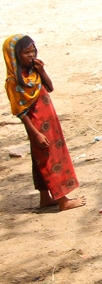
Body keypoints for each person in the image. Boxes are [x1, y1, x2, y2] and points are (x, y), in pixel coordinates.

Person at [4, 35, 85, 211]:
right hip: (38, 127)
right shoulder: (14, 82)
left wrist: (42, 72)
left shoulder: (33, 73)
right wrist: (36, 133)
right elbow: (21, 112)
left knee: (40, 159)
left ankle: (45, 198)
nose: (31, 56)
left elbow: (49, 87)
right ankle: (63, 201)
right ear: (14, 56)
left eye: (33, 51)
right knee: (50, 160)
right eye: (26, 53)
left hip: (50, 121)